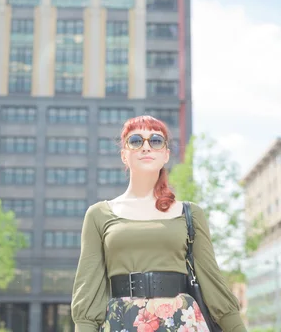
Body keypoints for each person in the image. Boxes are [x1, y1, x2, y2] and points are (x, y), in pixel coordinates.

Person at [71, 115, 245, 332]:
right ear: (124, 155)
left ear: (166, 155)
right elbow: (88, 288)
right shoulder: (99, 214)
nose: (146, 147)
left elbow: (212, 282)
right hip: (122, 321)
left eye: (155, 141)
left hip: (182, 321)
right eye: (135, 141)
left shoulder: (190, 214)